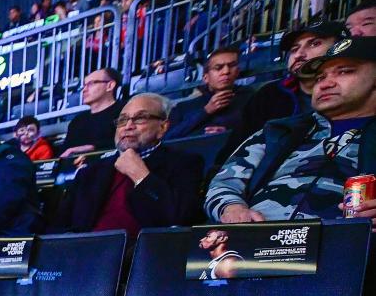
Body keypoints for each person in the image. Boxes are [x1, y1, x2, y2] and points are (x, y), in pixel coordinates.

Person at [206, 36, 376, 223]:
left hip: (344, 244)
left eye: (344, 72)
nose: (325, 84)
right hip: (257, 240)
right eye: (320, 77)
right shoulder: (279, 131)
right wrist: (232, 208)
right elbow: (224, 183)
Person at [54, 93, 204, 238]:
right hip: (86, 253)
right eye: (122, 120)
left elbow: (178, 218)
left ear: (162, 128)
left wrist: (140, 175)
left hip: (141, 257)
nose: (128, 126)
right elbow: (59, 225)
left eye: (140, 118)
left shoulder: (184, 163)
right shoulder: (90, 172)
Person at [236, 21, 342, 143]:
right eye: (294, 49)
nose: (298, 55)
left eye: (314, 44)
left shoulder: (354, 92)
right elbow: (237, 146)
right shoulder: (269, 94)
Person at [166, 47, 252, 140]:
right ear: (205, 77)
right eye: (218, 68)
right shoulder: (183, 107)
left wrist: (229, 133)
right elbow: (167, 138)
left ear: (237, 72)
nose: (226, 71)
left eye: (232, 65)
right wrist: (206, 111)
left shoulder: (251, 97)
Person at [61, 68, 123, 156]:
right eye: (84, 85)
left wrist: (92, 148)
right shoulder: (77, 121)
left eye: (91, 84)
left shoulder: (125, 111)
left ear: (110, 85)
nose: (84, 90)